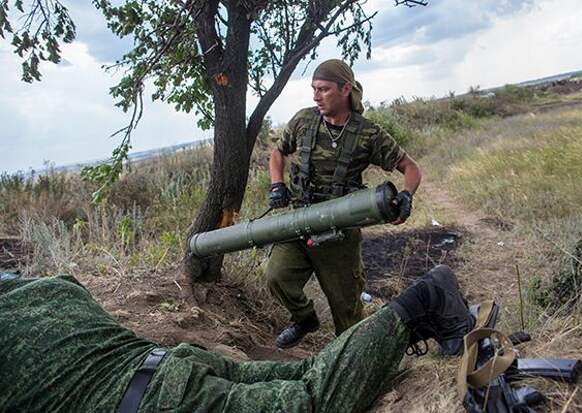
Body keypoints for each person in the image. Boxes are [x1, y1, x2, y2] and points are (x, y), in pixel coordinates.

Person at [0, 265, 472, 413]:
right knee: (307, 371)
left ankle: (424, 299)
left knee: (313, 400)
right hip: (170, 363)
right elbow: (68, 285)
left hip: (164, 402)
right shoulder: (45, 288)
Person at [267, 58, 422, 348]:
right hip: (298, 222)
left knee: (347, 314)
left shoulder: (368, 133)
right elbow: (278, 153)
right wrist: (277, 184)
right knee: (277, 276)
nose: (316, 96)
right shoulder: (303, 120)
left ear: (345, 88)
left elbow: (410, 167)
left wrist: (406, 194)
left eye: (323, 89)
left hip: (339, 232)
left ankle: (354, 362)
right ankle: (305, 319)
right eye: (313, 89)